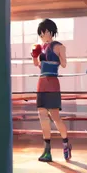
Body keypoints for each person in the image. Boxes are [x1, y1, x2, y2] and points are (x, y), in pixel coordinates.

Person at [31, 19, 71, 163]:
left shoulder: (59, 46)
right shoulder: (39, 47)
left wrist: (58, 56)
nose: (43, 36)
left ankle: (66, 142)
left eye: (45, 32)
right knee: (42, 115)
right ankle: (47, 150)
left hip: (53, 82)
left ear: (51, 32)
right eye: (41, 34)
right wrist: (35, 56)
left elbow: (64, 64)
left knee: (55, 116)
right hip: (41, 82)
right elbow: (38, 65)